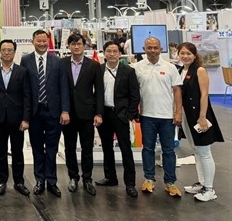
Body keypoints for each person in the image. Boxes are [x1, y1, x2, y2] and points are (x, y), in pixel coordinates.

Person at [132, 37, 183, 197]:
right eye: (149, 47)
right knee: (148, 149)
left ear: (161, 49)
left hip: (167, 117)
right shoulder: (136, 68)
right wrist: (135, 111)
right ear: (144, 49)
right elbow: (133, 91)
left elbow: (177, 90)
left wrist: (178, 112)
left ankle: (170, 182)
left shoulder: (170, 67)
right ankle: (149, 179)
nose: (152, 50)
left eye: (155, 47)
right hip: (146, 116)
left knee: (168, 150)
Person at [22, 29, 70, 197]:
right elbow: (24, 89)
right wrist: (25, 115)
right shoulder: (25, 60)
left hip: (53, 112)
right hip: (34, 113)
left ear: (48, 42)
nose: (42, 44)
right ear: (33, 42)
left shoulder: (57, 61)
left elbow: (64, 87)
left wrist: (65, 110)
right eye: (39, 41)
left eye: (44, 41)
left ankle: (52, 181)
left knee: (52, 148)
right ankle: (39, 180)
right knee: (36, 148)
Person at [177, 42, 224, 202]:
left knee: (204, 152)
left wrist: (202, 116)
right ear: (178, 54)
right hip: (186, 116)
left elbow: (204, 95)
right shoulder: (180, 71)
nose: (185, 56)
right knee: (196, 151)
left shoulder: (200, 70)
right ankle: (203, 183)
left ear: (194, 55)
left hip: (199, 116)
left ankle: (209, 189)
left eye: (188, 53)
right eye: (182, 53)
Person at [61, 33, 104, 195]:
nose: (76, 46)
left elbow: (99, 91)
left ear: (84, 45)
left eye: (79, 43)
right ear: (68, 46)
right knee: (69, 147)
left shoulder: (93, 65)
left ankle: (87, 178)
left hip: (87, 113)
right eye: (73, 44)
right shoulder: (62, 63)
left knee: (87, 148)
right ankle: (73, 177)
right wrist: (63, 110)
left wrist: (99, 113)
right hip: (68, 114)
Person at [96, 41, 140, 198]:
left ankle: (130, 183)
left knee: (125, 148)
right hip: (104, 114)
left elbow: (135, 95)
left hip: (121, 115)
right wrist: (97, 113)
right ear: (104, 53)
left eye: (115, 51)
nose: (112, 54)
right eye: (109, 51)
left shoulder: (128, 71)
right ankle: (110, 177)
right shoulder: (99, 70)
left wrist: (130, 114)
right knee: (107, 147)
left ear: (120, 54)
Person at [0, 39, 31, 196]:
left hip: (17, 118)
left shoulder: (22, 71)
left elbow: (27, 96)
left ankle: (19, 182)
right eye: (4, 50)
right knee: (1, 151)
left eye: (10, 50)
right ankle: (2, 181)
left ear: (14, 52)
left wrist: (26, 119)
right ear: (0, 52)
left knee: (17, 151)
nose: (6, 53)